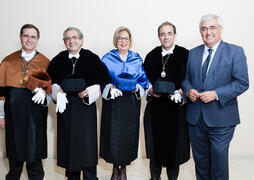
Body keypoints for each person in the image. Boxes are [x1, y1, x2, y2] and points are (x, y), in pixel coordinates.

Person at [182, 14, 249, 180]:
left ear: (220, 29)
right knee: (201, 164)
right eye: (204, 29)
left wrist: (216, 94)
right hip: (196, 118)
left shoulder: (235, 51)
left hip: (222, 119)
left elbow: (242, 82)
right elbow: (185, 78)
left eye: (212, 27)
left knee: (219, 165)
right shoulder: (192, 53)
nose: (208, 32)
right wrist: (189, 90)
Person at [47, 27, 111, 180]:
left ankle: (90, 177)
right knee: (69, 145)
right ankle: (72, 177)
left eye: (75, 37)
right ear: (64, 42)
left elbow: (104, 82)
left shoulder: (92, 58)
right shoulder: (58, 60)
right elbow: (49, 83)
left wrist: (90, 91)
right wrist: (58, 90)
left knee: (87, 145)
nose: (71, 41)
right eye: (68, 38)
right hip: (66, 108)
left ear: (81, 40)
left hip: (85, 109)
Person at [0, 24, 51, 180]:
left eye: (33, 36)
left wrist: (44, 93)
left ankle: (36, 177)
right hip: (13, 115)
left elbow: (52, 90)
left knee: (35, 150)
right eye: (26, 36)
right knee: (14, 150)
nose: (29, 39)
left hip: (36, 116)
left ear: (38, 39)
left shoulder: (45, 62)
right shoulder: (8, 62)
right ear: (20, 37)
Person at [100, 27, 149, 180]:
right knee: (113, 136)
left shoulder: (136, 58)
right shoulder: (107, 58)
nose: (123, 41)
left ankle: (124, 168)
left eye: (126, 38)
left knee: (128, 136)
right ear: (116, 40)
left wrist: (138, 88)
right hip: (113, 103)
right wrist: (109, 88)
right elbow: (100, 80)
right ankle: (115, 167)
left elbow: (144, 81)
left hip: (130, 103)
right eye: (120, 38)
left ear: (130, 41)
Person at [143, 21, 190, 180]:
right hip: (156, 109)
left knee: (173, 148)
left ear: (175, 35)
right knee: (155, 147)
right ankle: (154, 178)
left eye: (169, 33)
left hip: (176, 111)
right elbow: (144, 80)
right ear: (158, 36)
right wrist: (149, 89)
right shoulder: (151, 55)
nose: (166, 37)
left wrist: (181, 93)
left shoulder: (185, 55)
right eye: (162, 34)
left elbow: (190, 79)